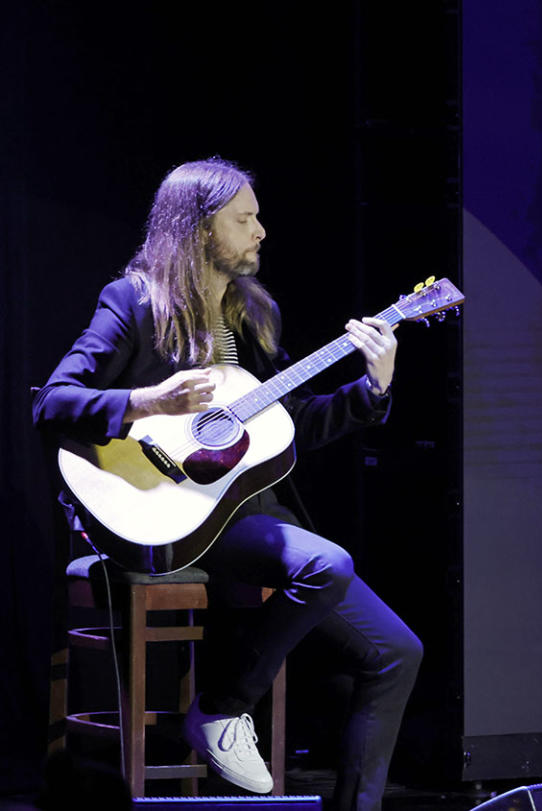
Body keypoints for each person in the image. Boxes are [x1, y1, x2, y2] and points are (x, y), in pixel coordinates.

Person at [32, 158, 423, 809]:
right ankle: (220, 707)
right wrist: (147, 403)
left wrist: (373, 388)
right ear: (199, 228)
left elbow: (290, 427)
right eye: (245, 218)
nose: (261, 231)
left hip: (245, 511)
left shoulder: (252, 314)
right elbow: (53, 401)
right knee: (327, 562)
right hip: (164, 509)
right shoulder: (132, 302)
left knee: (397, 651)